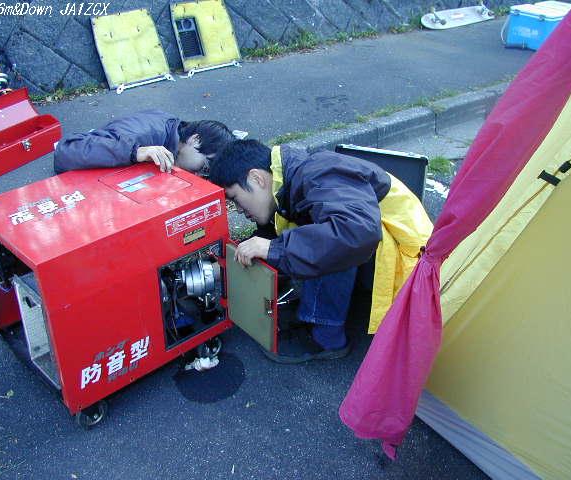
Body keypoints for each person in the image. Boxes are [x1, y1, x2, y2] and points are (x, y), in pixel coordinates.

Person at [209, 139, 433, 364]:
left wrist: (274, 248)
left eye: (235, 198)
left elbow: (355, 233)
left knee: (328, 240)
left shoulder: (317, 173)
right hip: (380, 243)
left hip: (409, 257)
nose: (238, 210)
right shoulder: (288, 179)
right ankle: (327, 308)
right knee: (306, 238)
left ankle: (326, 337)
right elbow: (270, 235)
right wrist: (225, 264)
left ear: (256, 178)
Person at [53, 110, 235, 176]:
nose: (199, 175)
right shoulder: (144, 134)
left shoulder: (174, 134)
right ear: (195, 140)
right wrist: (135, 152)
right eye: (204, 167)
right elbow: (65, 151)